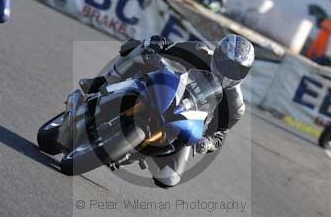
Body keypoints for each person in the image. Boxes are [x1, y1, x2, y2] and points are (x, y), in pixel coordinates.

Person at [82, 34, 254, 188]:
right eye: (226, 63)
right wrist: (154, 46)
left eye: (237, 69)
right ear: (218, 55)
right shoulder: (198, 51)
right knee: (138, 48)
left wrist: (207, 143)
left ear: (245, 72)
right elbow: (165, 47)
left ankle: (137, 151)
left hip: (185, 121)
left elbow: (219, 135)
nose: (229, 71)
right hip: (165, 91)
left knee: (169, 178)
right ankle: (102, 84)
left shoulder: (235, 106)